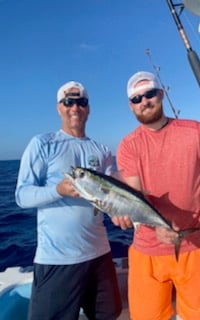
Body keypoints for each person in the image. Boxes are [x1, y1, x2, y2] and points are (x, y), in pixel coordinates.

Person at [112, 71, 200, 320]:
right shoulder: (128, 145)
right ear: (130, 105)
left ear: (161, 94)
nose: (144, 101)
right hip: (146, 252)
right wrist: (153, 225)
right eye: (136, 98)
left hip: (197, 246)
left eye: (149, 93)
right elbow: (135, 194)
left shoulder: (195, 130)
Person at [15, 81, 122, 320]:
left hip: (100, 255)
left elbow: (111, 198)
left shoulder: (102, 150)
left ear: (88, 108)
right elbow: (22, 196)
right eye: (68, 102)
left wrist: (123, 212)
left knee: (108, 315)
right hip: (57, 259)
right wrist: (58, 190)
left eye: (81, 102)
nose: (75, 107)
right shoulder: (43, 144)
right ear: (59, 108)